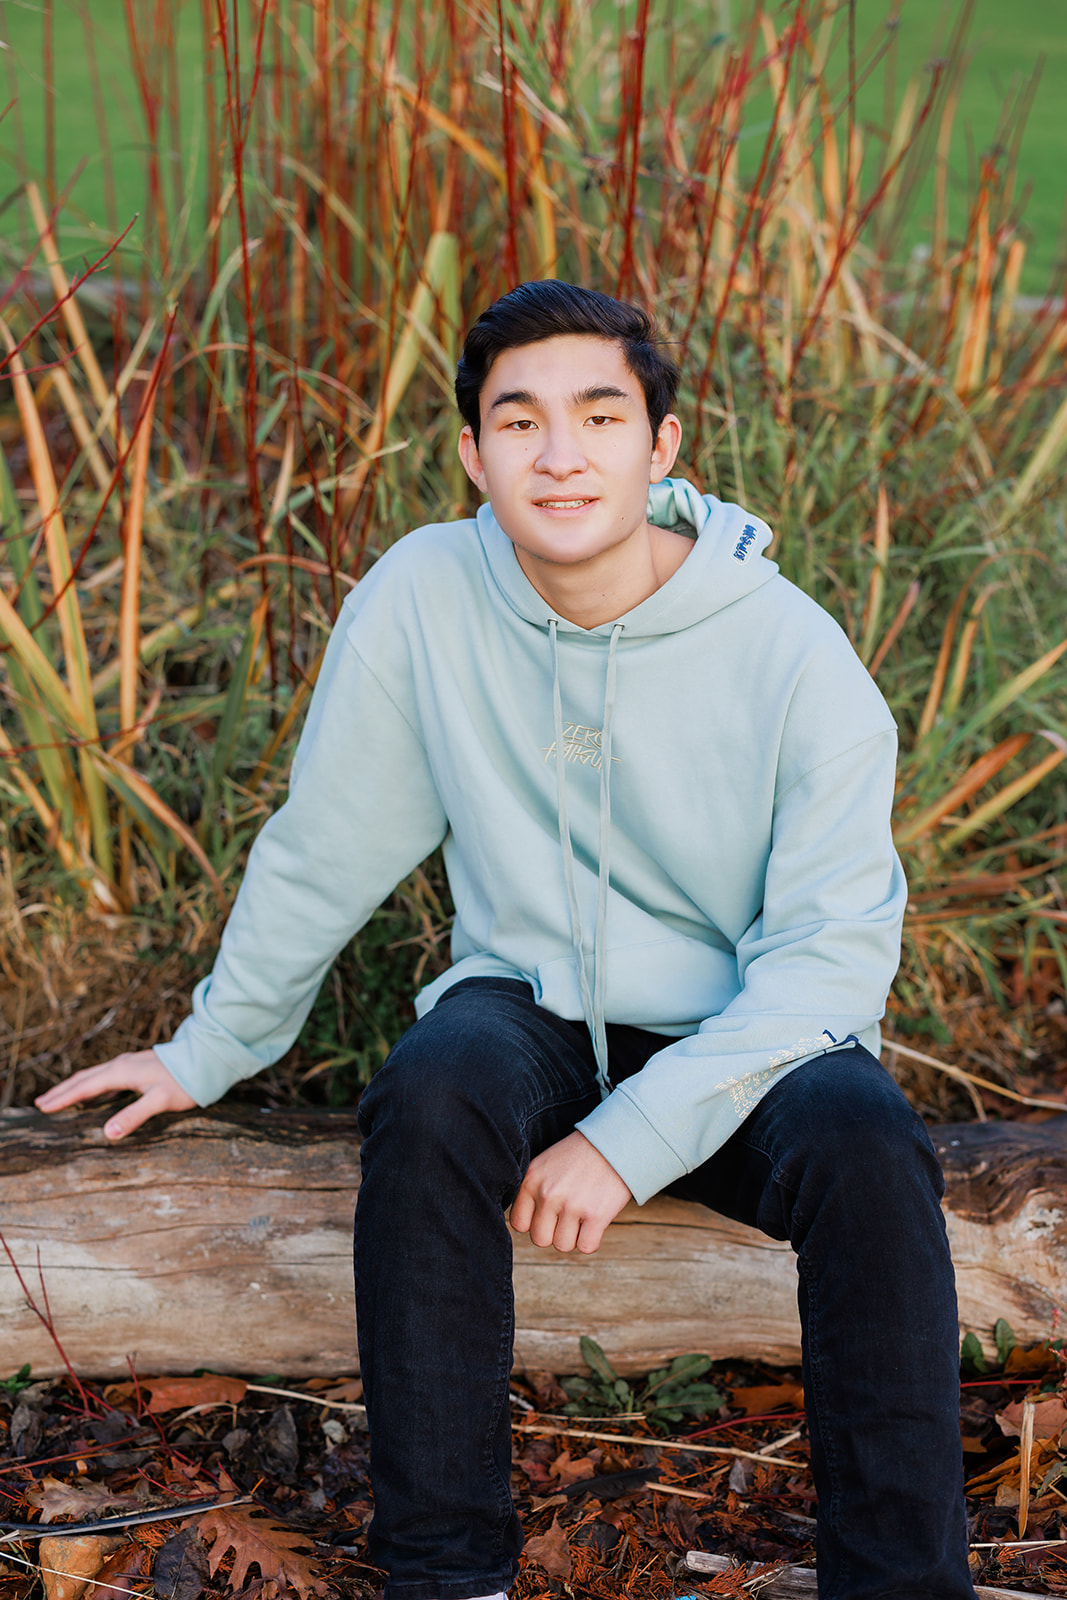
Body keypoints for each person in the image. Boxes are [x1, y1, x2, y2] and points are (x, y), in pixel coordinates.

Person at [37, 281, 976, 1600]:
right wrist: (212, 1045)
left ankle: (898, 1586)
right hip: (531, 1003)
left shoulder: (793, 659)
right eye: (517, 419)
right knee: (429, 1092)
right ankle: (447, 1575)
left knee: (874, 1149)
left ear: (662, 446)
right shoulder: (425, 595)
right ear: (474, 453)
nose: (559, 453)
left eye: (599, 415)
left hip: (747, 1036)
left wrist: (628, 1139)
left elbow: (828, 961)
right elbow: (329, 847)